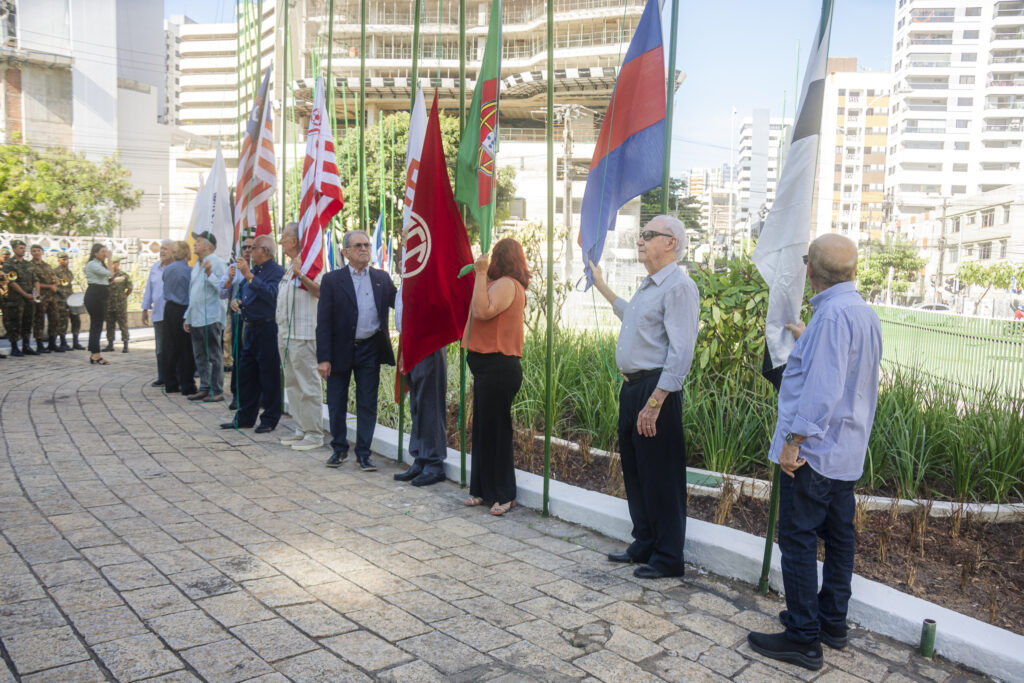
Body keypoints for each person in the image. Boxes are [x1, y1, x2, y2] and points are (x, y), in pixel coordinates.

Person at [746, 234, 882, 672]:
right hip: (847, 450)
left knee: (799, 539)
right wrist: (808, 341)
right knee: (840, 539)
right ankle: (831, 623)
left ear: (810, 271)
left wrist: (793, 442)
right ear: (853, 270)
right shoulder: (862, 312)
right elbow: (846, 370)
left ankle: (803, 637)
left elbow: (822, 391)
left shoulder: (831, 318)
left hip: (814, 453)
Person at [589, 215, 699, 580]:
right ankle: (645, 542)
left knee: (661, 476)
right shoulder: (650, 286)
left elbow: (681, 353)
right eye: (642, 234)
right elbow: (631, 317)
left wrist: (655, 402)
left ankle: (668, 557)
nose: (640, 240)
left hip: (656, 391)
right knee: (637, 471)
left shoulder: (678, 287)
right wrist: (602, 285)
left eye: (648, 235)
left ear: (671, 243)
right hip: (634, 388)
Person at [317, 230, 397, 471]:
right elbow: (324, 322)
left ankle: (364, 453)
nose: (364, 249)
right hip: (340, 349)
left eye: (367, 245)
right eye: (358, 245)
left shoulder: (382, 278)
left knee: (367, 402)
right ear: (346, 252)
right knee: (337, 401)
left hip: (370, 348)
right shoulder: (332, 280)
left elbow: (401, 303)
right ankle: (339, 449)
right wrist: (324, 358)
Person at [462, 238, 530, 516]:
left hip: (499, 367)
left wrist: (480, 273)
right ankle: (481, 489)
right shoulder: (495, 283)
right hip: (486, 367)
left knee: (498, 431)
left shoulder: (507, 284)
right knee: (483, 429)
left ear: (500, 259)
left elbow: (482, 310)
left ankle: (505, 494)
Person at [221, 234, 285, 433]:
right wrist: (238, 301)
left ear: (264, 251)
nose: (249, 251)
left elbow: (273, 295)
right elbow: (244, 291)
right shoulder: (255, 269)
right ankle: (245, 417)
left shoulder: (276, 271)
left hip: (267, 327)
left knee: (269, 374)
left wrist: (249, 275)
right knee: (247, 373)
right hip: (250, 326)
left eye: (253, 247)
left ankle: (269, 418)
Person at [392, 283, 449, 487]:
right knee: (417, 403)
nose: (405, 248)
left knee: (429, 402)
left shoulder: (426, 266)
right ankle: (421, 458)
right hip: (412, 340)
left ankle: (433, 462)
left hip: (428, 340)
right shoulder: (413, 266)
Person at [277, 223, 326, 450]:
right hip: (287, 336)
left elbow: (320, 291)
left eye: (284, 237)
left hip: (305, 335)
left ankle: (315, 434)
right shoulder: (289, 267)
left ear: (295, 240)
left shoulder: (312, 265)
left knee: (308, 386)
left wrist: (301, 275)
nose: (281, 242)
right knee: (292, 385)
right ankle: (302, 429)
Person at [184, 232, 228, 402]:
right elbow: (193, 293)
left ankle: (217, 390)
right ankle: (204, 387)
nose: (195, 244)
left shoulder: (217, 262)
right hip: (196, 317)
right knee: (200, 355)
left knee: (214, 355)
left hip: (211, 316)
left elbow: (223, 288)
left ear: (209, 245)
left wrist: (210, 274)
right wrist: (187, 316)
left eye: (199, 241)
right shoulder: (197, 264)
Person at [220, 237, 255, 411]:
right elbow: (221, 292)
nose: (248, 250)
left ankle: (256, 395)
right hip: (238, 318)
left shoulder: (259, 268)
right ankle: (237, 395)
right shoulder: (233, 268)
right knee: (239, 357)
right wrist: (229, 280)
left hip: (257, 320)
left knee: (255, 359)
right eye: (245, 247)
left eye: (251, 247)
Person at [161, 241, 196, 394]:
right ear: (186, 252)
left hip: (169, 308)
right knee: (186, 348)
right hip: (184, 308)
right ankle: (187, 384)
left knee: (170, 346)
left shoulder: (167, 269)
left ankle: (170, 382)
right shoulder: (190, 271)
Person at [142, 240, 173, 386]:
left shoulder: (176, 268)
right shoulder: (155, 268)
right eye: (161, 249)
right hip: (158, 313)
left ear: (173, 251)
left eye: (166, 249)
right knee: (160, 348)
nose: (162, 251)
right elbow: (149, 289)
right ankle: (162, 376)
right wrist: (144, 309)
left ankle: (174, 376)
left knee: (173, 346)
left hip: (174, 315)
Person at [3, 240, 38, 357]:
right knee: (15, 323)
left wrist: (35, 294)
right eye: (20, 248)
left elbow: (35, 280)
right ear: (14, 249)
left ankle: (26, 345)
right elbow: (11, 282)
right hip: (16, 298)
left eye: (24, 248)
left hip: (29, 298)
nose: (23, 250)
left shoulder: (28, 264)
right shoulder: (9, 264)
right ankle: (14, 347)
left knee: (28, 321)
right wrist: (25, 294)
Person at [83, 243, 113, 365]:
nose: (105, 254)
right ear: (95, 253)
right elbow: (109, 273)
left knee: (97, 325)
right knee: (96, 325)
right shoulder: (93, 264)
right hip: (94, 296)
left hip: (100, 296)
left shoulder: (99, 264)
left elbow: (107, 278)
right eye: (102, 252)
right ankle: (95, 355)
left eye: (106, 252)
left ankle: (95, 353)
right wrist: (110, 258)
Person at [29, 245, 60, 353]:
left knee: (55, 319)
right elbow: (33, 283)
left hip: (51, 297)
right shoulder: (30, 266)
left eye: (38, 251)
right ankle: (39, 345)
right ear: (31, 253)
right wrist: (49, 286)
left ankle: (52, 343)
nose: (36, 253)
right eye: (34, 251)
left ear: (42, 252)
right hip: (40, 296)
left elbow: (53, 279)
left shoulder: (47, 266)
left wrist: (55, 283)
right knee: (39, 320)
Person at [54, 252, 83, 351]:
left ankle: (76, 342)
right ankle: (63, 342)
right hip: (61, 300)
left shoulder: (69, 272)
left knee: (76, 320)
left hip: (70, 299)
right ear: (58, 260)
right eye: (63, 259)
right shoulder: (55, 272)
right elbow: (56, 287)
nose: (65, 261)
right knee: (63, 322)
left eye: (66, 259)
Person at [103, 257, 132, 353]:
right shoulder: (106, 276)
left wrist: (123, 297)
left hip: (120, 305)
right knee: (109, 325)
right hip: (109, 305)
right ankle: (110, 344)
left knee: (123, 324)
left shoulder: (124, 276)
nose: (111, 265)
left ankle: (125, 345)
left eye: (113, 263)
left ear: (117, 264)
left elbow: (130, 288)